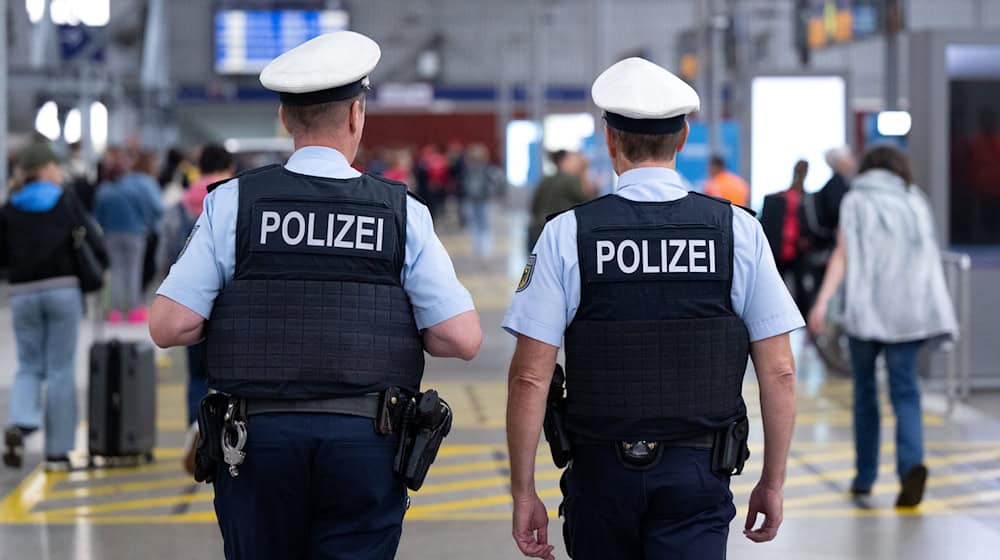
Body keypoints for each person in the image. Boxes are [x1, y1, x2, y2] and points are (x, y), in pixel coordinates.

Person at [148, 31, 482, 559]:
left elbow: (170, 326)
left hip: (255, 444)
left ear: (285, 120)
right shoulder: (401, 212)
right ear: (356, 115)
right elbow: (460, 338)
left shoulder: (233, 203)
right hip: (366, 443)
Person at [503, 57, 802, 560]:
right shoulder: (737, 231)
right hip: (698, 471)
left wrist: (523, 491)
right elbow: (781, 371)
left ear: (610, 140)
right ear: (683, 139)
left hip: (600, 471)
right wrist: (772, 482)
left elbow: (531, 378)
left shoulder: (567, 233)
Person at [808, 145, 958, 508]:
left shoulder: (856, 200)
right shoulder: (914, 200)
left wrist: (823, 301)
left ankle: (864, 476)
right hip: (908, 314)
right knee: (905, 391)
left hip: (865, 312)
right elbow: (926, 257)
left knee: (865, 394)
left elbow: (842, 254)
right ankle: (910, 467)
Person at [1, 143, 108, 471]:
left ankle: (21, 421)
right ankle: (58, 454)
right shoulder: (64, 200)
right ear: (46, 168)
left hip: (22, 294)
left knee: (29, 364)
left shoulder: (9, 207)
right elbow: (91, 237)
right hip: (63, 290)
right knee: (61, 370)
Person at [94, 149, 163, 323]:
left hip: (110, 235)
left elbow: (98, 215)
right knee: (134, 272)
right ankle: (134, 312)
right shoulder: (134, 189)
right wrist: (145, 225)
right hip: (135, 234)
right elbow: (147, 210)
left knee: (116, 272)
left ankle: (115, 312)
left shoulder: (103, 191)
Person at [760, 160, 810, 314]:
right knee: (801, 291)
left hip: (782, 250)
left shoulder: (777, 199)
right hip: (794, 251)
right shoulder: (806, 199)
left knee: (776, 291)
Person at [527, 150, 591, 251]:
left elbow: (534, 208)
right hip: (560, 235)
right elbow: (588, 203)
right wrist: (584, 171)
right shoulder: (571, 180)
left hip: (537, 232)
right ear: (564, 162)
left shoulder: (545, 180)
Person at [460, 143, 506, 261]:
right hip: (475, 200)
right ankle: (481, 250)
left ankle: (483, 250)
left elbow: (498, 182)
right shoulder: (470, 170)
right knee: (478, 226)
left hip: (482, 201)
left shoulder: (486, 170)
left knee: (482, 226)